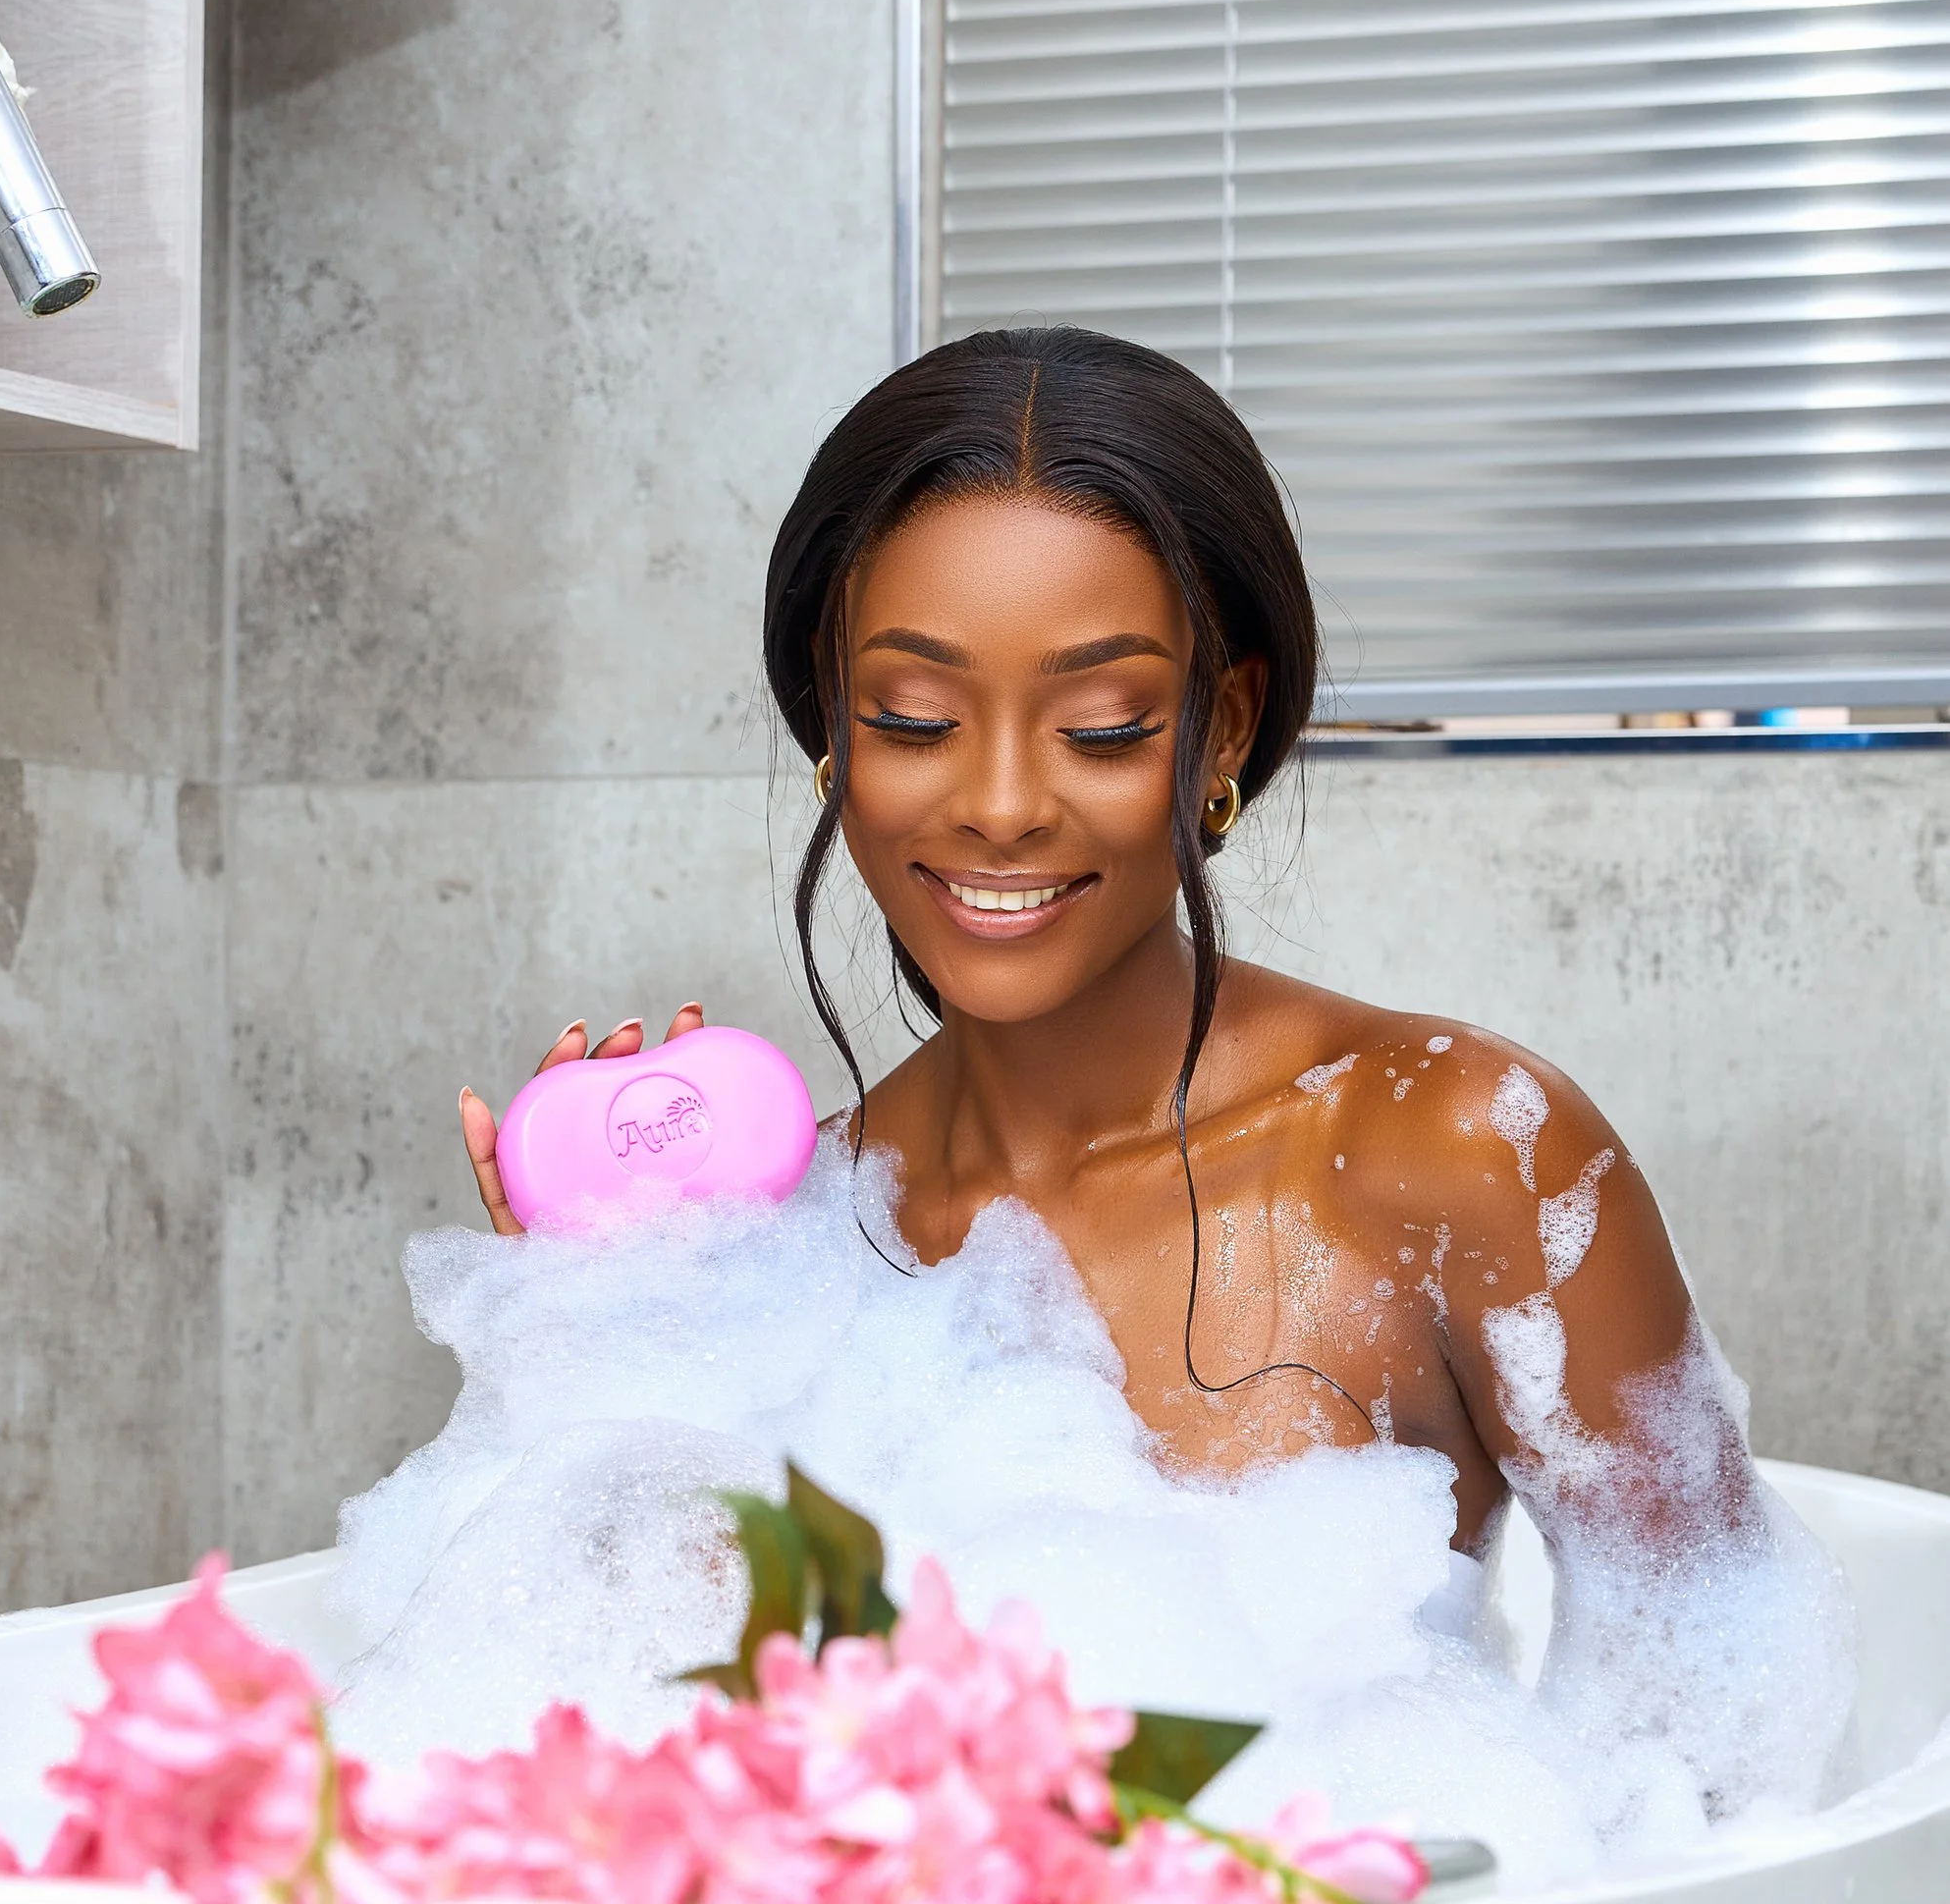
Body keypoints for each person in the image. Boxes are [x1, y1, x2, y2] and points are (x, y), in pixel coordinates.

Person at [460, 324, 1763, 1595]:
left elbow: (1714, 1747)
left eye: (1101, 726)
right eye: (914, 718)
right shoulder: (787, 1247)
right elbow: (675, 1727)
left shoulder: (1460, 1152)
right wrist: (600, 1352)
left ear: (1222, 727)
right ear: (833, 720)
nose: (1003, 802)